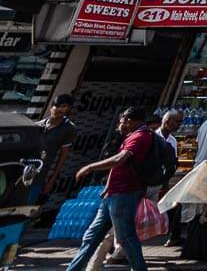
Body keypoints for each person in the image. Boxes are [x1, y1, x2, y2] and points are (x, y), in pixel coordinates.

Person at [64, 107, 154, 271]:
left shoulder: (141, 136)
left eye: (123, 121)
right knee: (92, 237)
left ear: (130, 120)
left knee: (126, 238)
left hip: (124, 193)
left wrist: (90, 167)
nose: (121, 124)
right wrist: (108, 186)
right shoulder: (133, 135)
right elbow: (119, 166)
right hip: (113, 194)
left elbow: (120, 160)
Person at [37, 93, 77, 203]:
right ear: (51, 107)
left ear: (69, 109)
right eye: (57, 106)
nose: (60, 109)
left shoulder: (69, 128)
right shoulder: (38, 125)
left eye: (64, 106)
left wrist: (52, 180)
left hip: (41, 175)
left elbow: (63, 156)